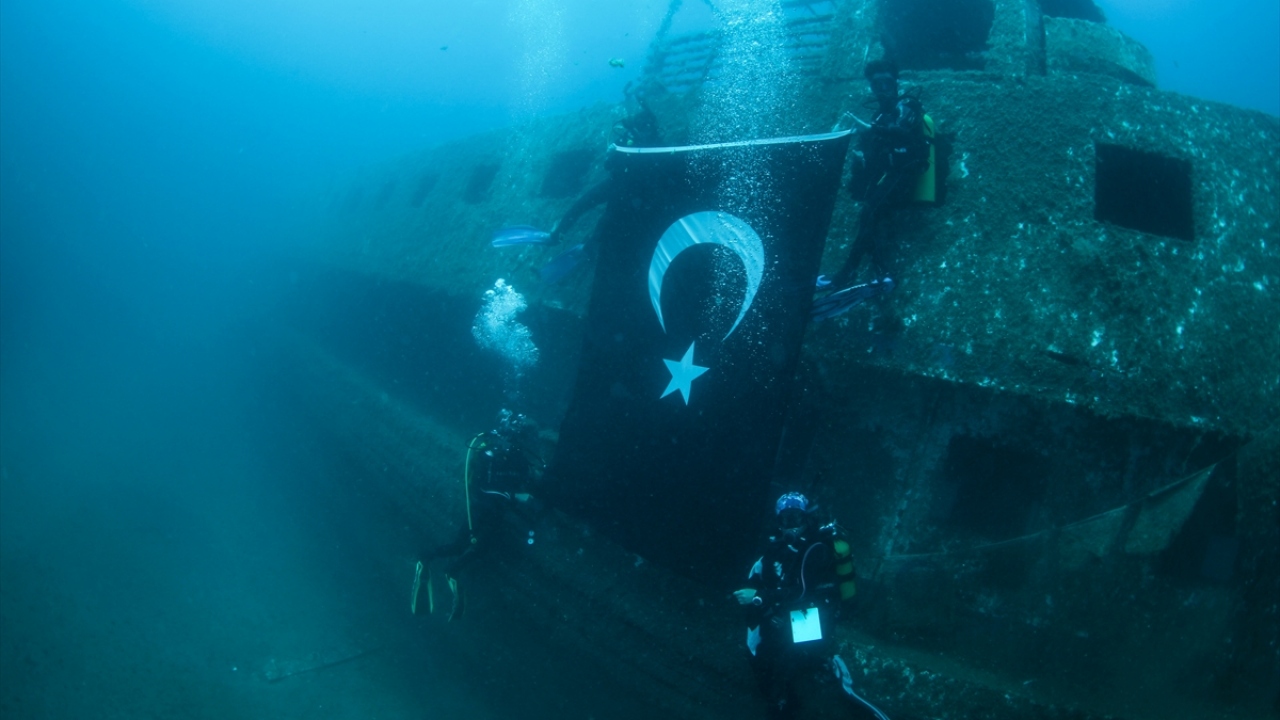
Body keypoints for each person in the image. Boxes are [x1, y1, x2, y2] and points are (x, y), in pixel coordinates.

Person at [733, 492, 890, 720]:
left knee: (790, 655)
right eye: (785, 520)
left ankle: (787, 699)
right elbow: (767, 573)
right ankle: (783, 696)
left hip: (816, 610)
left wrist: (760, 597)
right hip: (793, 606)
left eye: (795, 519)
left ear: (805, 519)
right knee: (760, 649)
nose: (791, 526)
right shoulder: (782, 546)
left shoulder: (816, 548)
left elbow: (802, 591)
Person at [814, 59, 935, 320]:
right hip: (889, 178)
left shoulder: (908, 105)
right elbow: (872, 157)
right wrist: (861, 158)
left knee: (869, 214)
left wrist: (870, 129)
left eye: (887, 83)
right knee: (869, 218)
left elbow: (902, 132)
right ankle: (880, 275)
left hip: (906, 176)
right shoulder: (878, 117)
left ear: (895, 84)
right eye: (876, 84)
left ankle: (848, 275)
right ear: (871, 88)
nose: (882, 89)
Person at [418, 409, 544, 620]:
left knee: (473, 547)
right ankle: (438, 565)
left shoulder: (521, 461)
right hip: (480, 509)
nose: (530, 444)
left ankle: (440, 565)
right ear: (518, 437)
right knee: (466, 546)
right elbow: (480, 489)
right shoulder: (491, 455)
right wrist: (514, 496)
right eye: (528, 439)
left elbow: (528, 484)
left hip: (498, 512)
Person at [539, 98, 664, 282]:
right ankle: (556, 235)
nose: (640, 129)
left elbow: (656, 171)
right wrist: (612, 154)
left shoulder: (655, 144)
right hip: (615, 182)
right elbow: (609, 165)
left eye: (644, 126)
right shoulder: (626, 139)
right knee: (581, 205)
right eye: (639, 126)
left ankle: (587, 249)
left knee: (608, 220)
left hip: (633, 192)